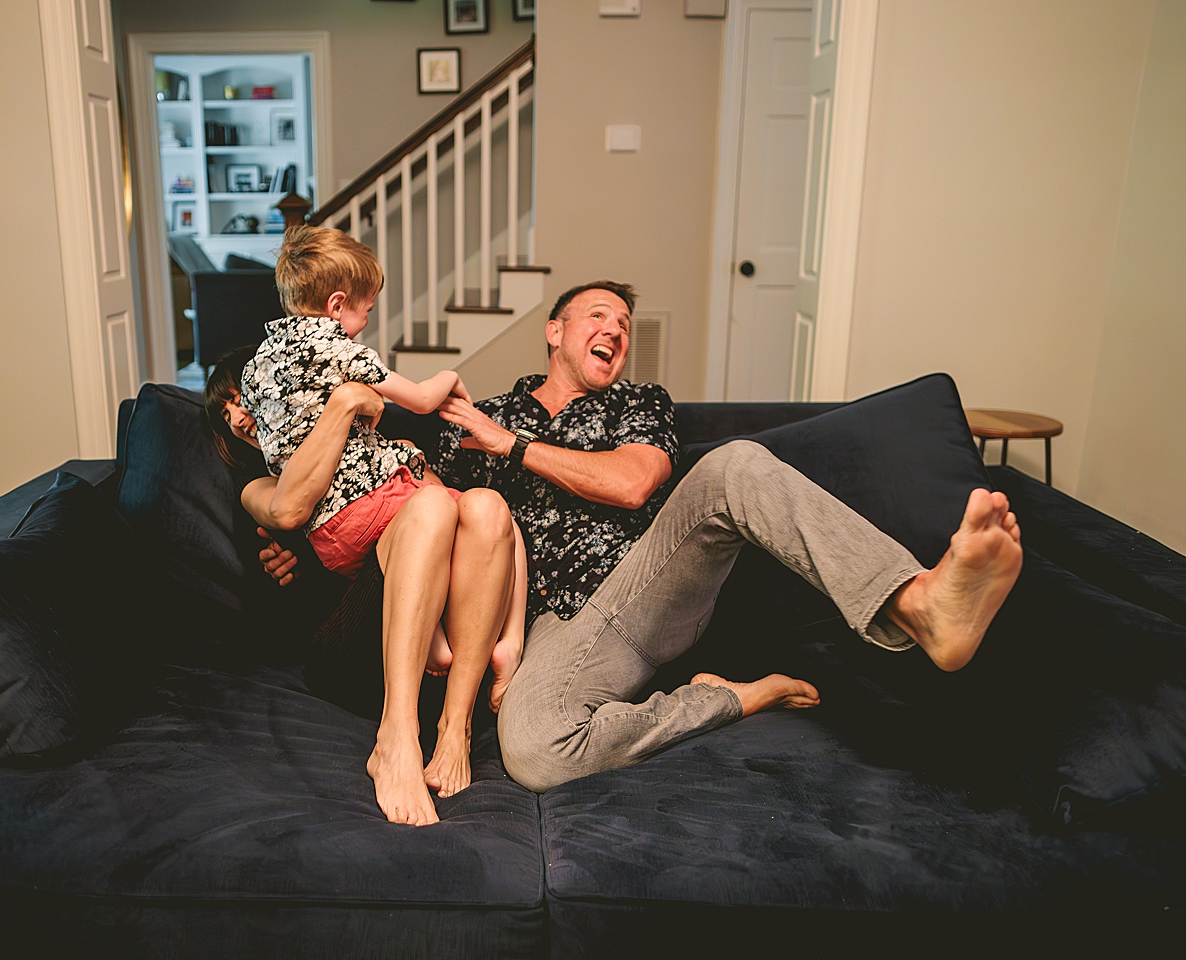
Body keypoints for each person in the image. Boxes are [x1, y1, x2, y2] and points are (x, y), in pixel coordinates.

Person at [263, 279, 1024, 794]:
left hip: (644, 583)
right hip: (555, 625)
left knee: (733, 466)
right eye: (598, 316)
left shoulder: (637, 403)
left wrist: (513, 448)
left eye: (622, 325)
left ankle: (918, 602)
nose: (615, 330)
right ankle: (724, 699)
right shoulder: (480, 412)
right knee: (532, 750)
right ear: (555, 332)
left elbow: (634, 482)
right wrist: (298, 552)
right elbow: (411, 507)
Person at [210, 333, 523, 828]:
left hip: (438, 639)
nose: (241, 417)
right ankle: (395, 735)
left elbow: (444, 505)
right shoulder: (258, 484)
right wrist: (349, 397)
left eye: (244, 399)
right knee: (431, 505)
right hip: (353, 648)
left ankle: (455, 727)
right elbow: (290, 508)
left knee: (485, 504)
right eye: (227, 413)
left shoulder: (371, 443)